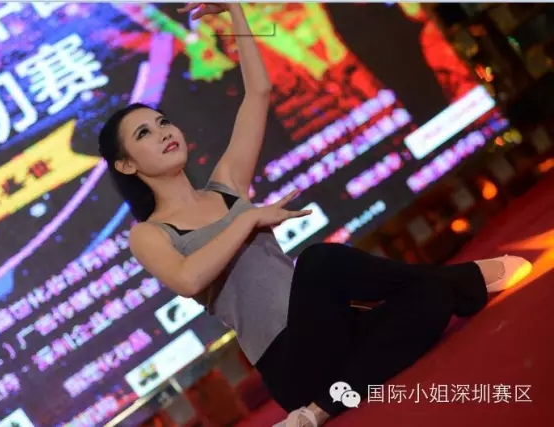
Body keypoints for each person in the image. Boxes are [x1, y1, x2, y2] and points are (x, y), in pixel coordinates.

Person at [98, 4, 532, 426]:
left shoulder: (225, 185)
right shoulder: (149, 233)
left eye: (163, 122)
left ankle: (321, 409)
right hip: (288, 359)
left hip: (338, 333)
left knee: (430, 300)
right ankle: (465, 278)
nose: (164, 133)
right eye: (144, 133)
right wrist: (248, 220)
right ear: (126, 165)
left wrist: (236, 12)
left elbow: (258, 93)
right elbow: (189, 279)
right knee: (320, 260)